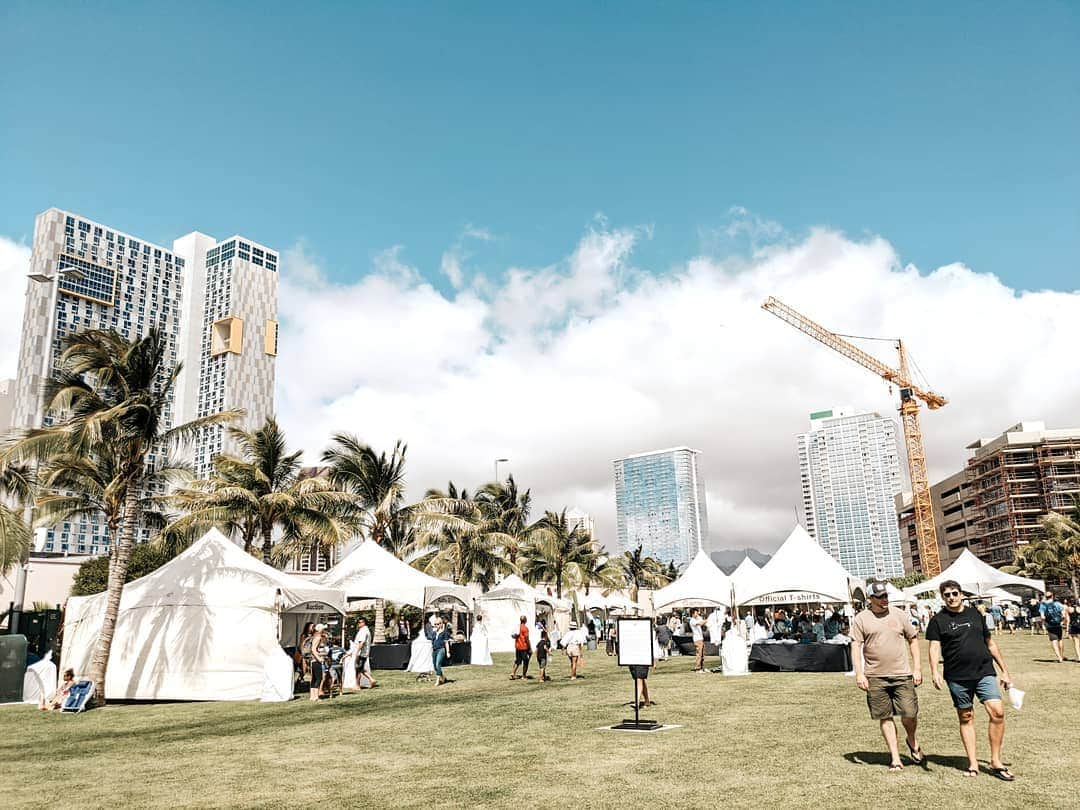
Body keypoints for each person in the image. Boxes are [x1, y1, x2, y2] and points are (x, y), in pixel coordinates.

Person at [927, 579, 1015, 780]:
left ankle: (995, 761)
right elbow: (933, 647)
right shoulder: (938, 620)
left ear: (961, 594)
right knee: (966, 717)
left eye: (954, 593)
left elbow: (990, 643)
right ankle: (973, 763)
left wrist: (1005, 671)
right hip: (957, 676)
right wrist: (934, 672)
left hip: (984, 671)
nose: (951, 597)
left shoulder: (975, 614)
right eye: (947, 594)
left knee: (998, 712)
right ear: (943, 597)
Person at [851, 580, 924, 772]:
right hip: (875, 676)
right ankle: (895, 758)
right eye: (880, 597)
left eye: (886, 596)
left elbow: (913, 640)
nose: (885, 600)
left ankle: (912, 740)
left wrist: (917, 668)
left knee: (910, 713)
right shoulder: (861, 619)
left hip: (902, 674)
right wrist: (859, 673)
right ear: (870, 598)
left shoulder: (899, 614)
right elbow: (855, 646)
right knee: (885, 716)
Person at [1039, 591, 1066, 663]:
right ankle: (1062, 655)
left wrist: (1043, 624)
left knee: (1054, 640)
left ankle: (1059, 657)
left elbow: (1042, 617)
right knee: (1060, 639)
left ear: (1045, 597)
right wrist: (1062, 621)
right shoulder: (1057, 604)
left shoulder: (1043, 605)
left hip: (1050, 625)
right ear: (1052, 596)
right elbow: (1063, 615)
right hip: (1058, 624)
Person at [308, 624, 330, 701]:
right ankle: (316, 696)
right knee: (319, 678)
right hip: (316, 660)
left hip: (313, 660)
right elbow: (313, 649)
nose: (324, 630)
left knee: (314, 678)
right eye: (323, 629)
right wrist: (319, 658)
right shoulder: (318, 638)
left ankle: (312, 696)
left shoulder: (316, 637)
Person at [353, 617, 376, 689]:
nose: (358, 624)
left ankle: (357, 685)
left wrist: (357, 652)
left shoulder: (363, 631)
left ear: (363, 623)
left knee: (358, 669)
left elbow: (362, 642)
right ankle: (371, 679)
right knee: (361, 668)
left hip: (361, 653)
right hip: (364, 653)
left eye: (359, 622)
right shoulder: (366, 630)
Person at [431, 617, 453, 685]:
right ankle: (443, 677)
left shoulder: (444, 633)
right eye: (435, 624)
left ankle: (438, 681)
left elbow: (446, 643)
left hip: (441, 649)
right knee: (435, 666)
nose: (436, 626)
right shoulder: (434, 633)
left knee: (438, 664)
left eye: (437, 624)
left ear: (441, 624)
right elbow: (432, 642)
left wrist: (448, 652)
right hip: (434, 650)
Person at [510, 614, 532, 680]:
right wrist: (530, 648)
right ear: (525, 620)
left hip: (517, 647)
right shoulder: (525, 628)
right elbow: (526, 639)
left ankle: (513, 673)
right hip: (524, 647)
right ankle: (524, 676)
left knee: (518, 661)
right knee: (526, 661)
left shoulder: (517, 627)